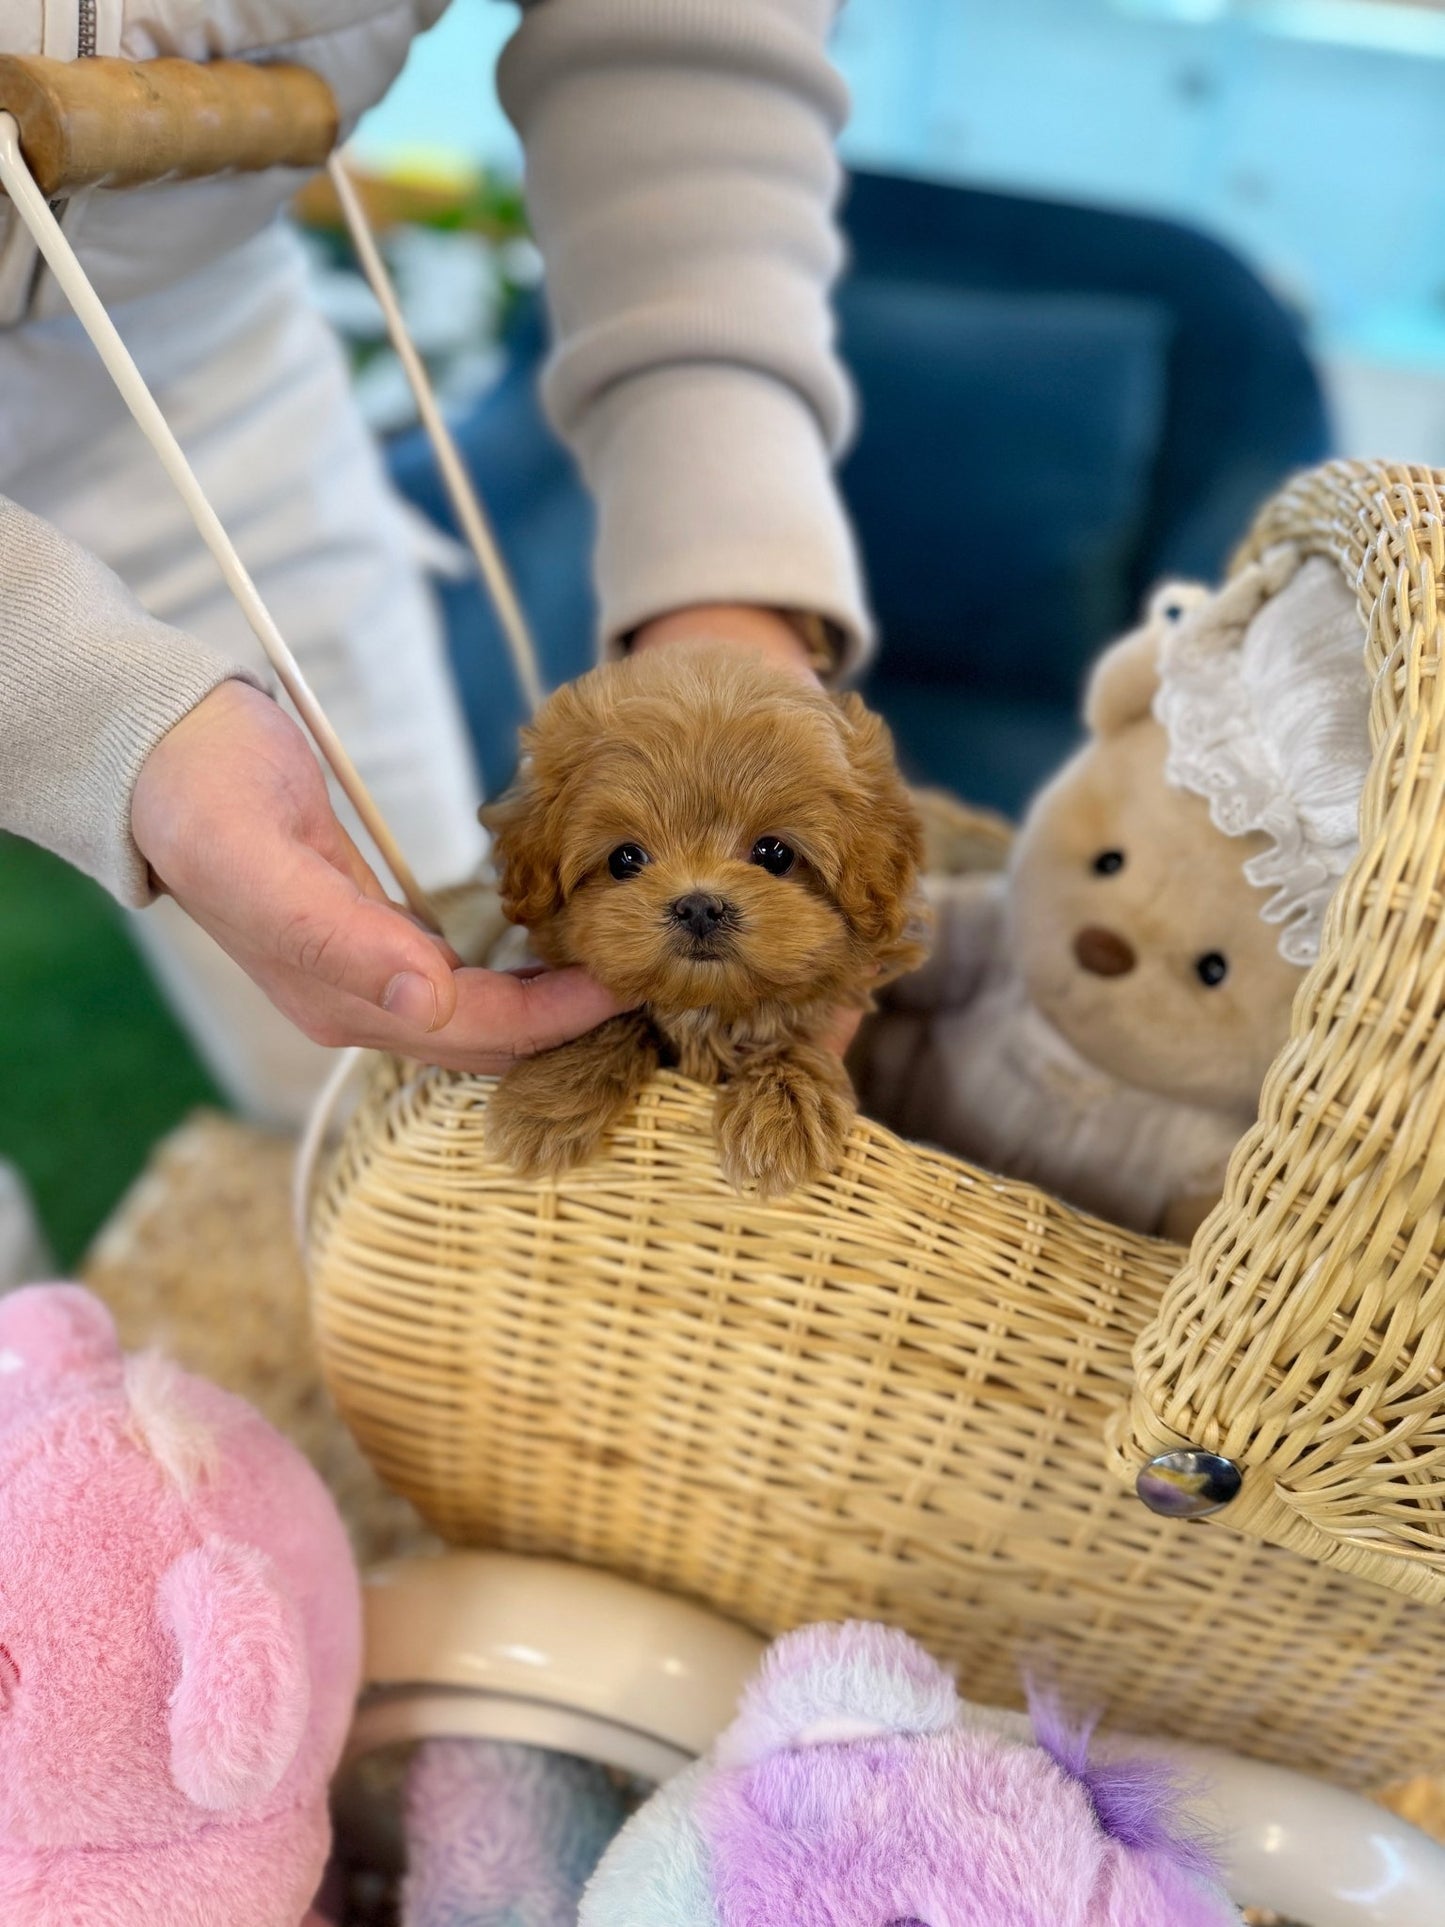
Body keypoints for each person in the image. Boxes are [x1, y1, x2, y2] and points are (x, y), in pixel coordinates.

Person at [0, 0, 871, 1126]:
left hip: (184, 317)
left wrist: (725, 578)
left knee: (387, 1038)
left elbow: (681, 40)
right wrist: (95, 711)